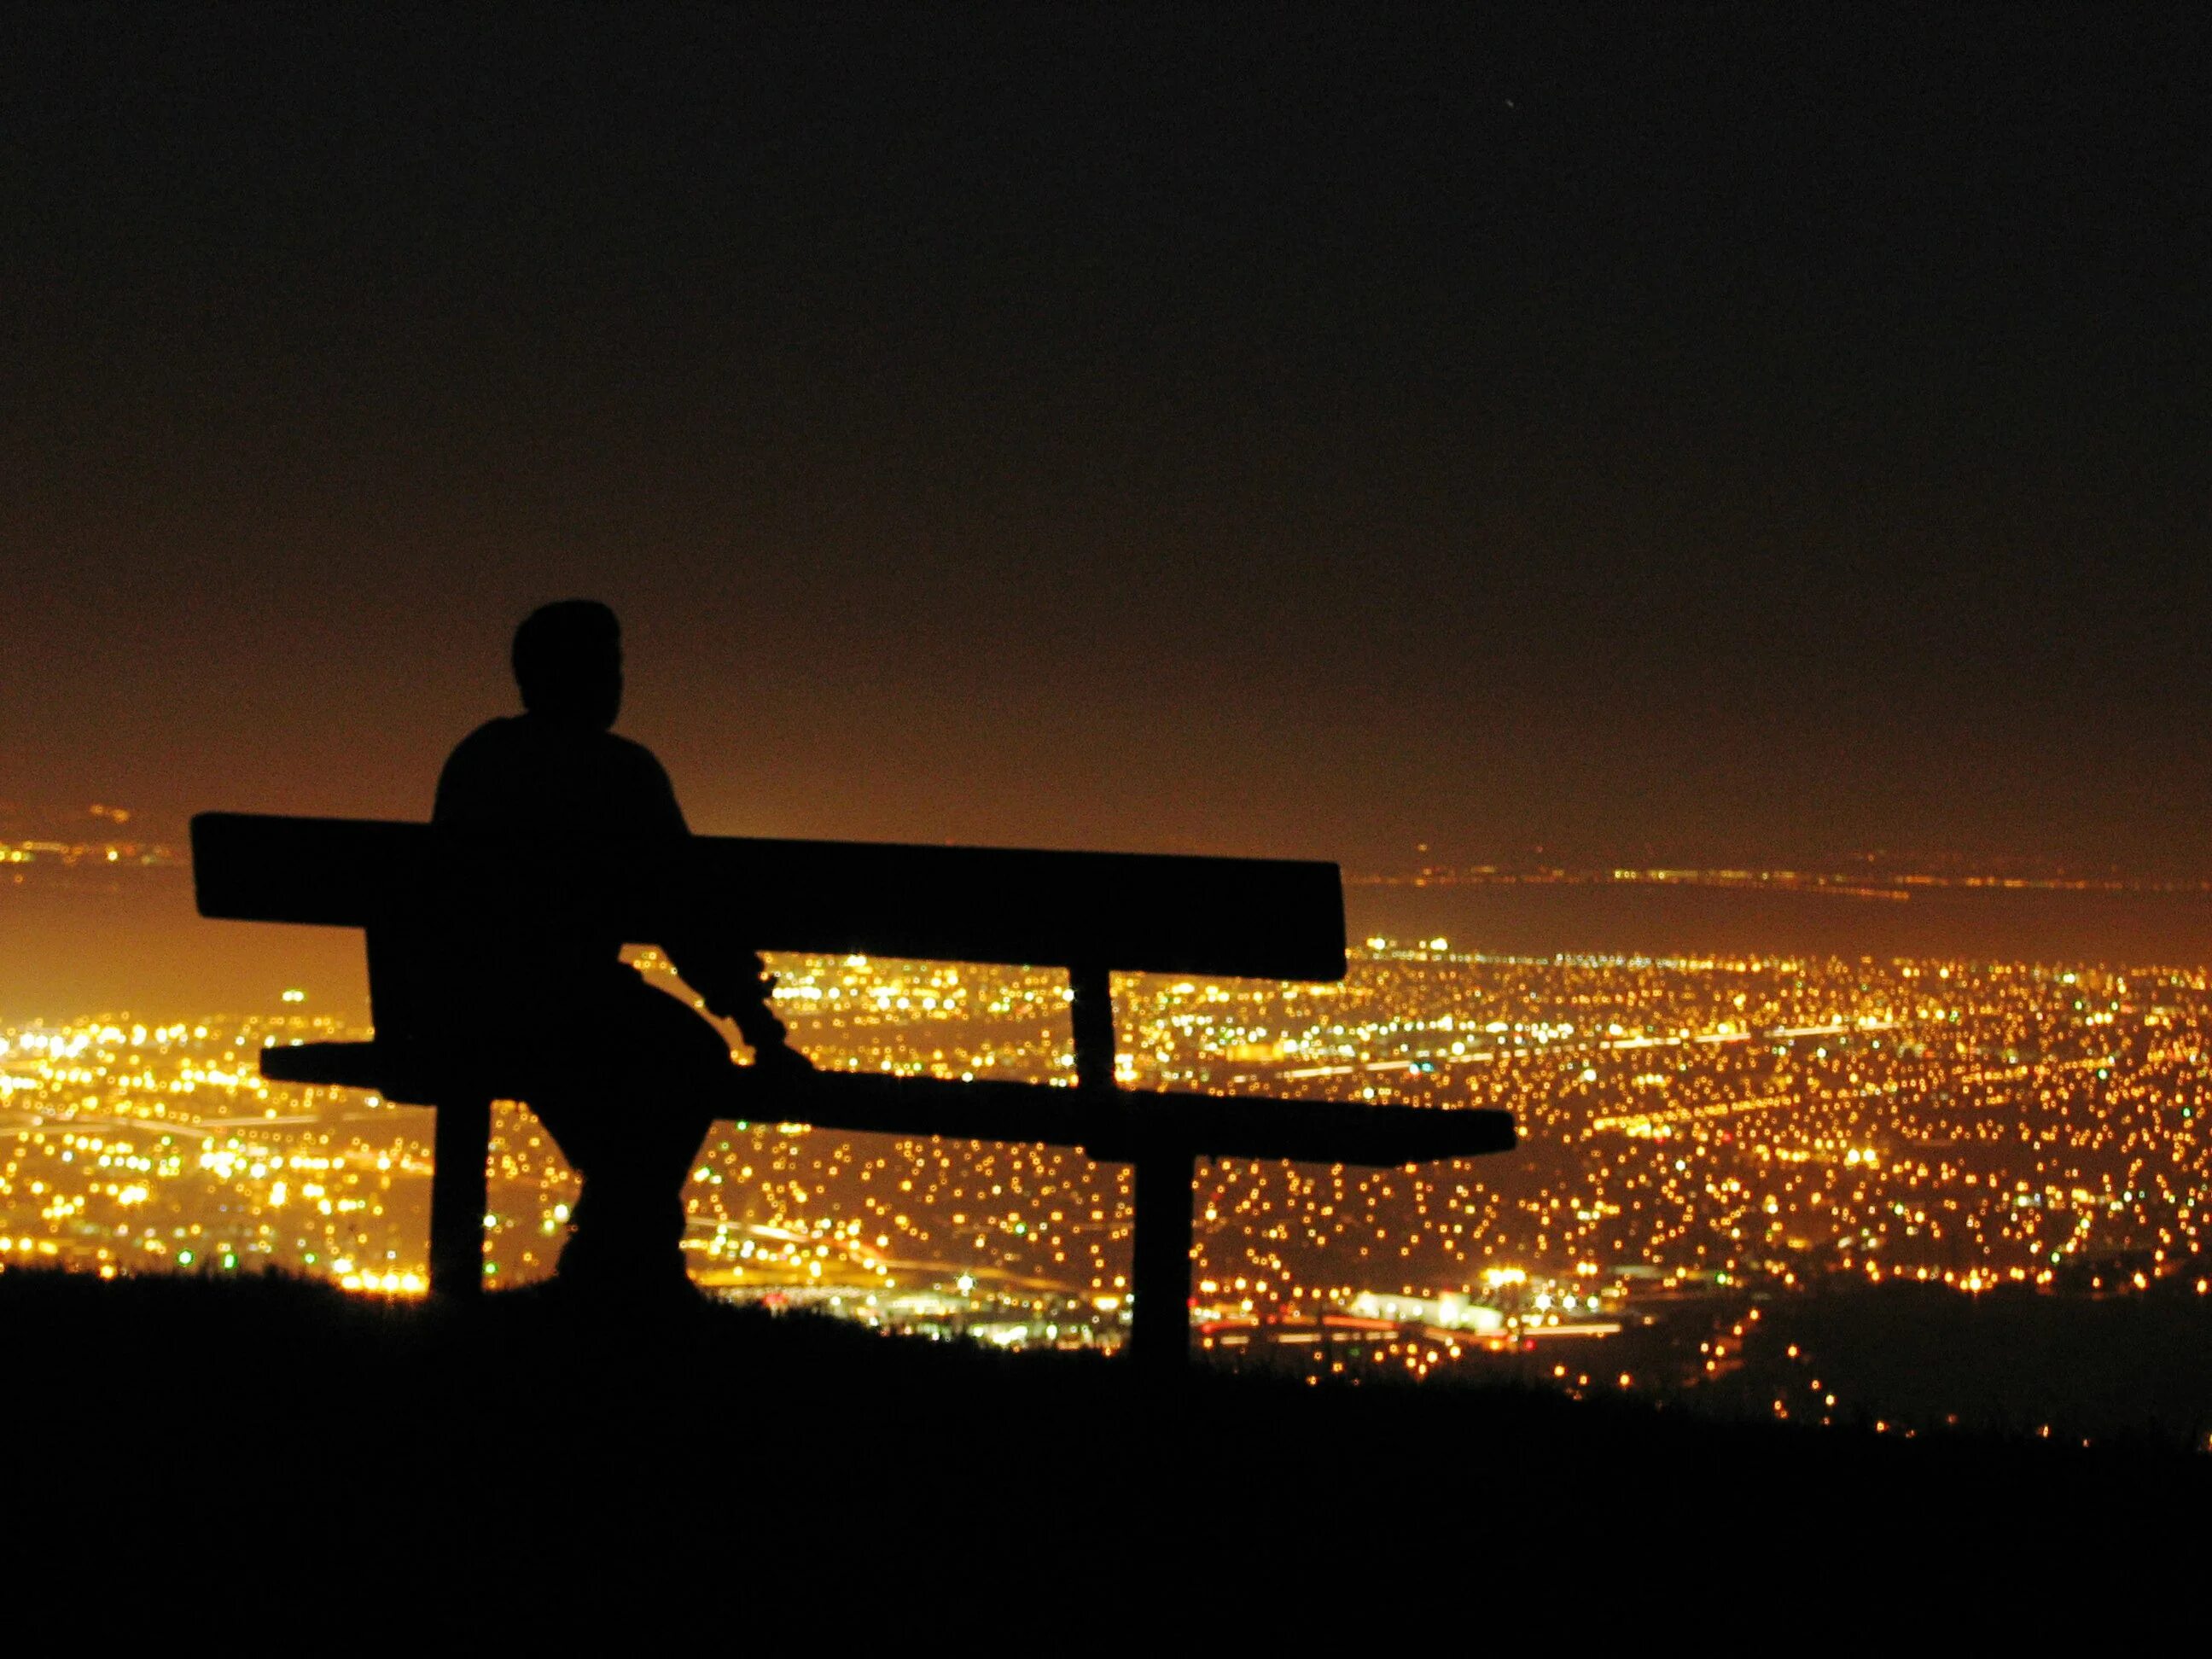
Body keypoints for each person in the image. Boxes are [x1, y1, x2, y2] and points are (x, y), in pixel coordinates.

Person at [432, 599, 810, 1296]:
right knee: (690, 1058)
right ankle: (625, 1258)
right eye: (602, 666)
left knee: (628, 1069)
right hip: (562, 1005)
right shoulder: (620, 772)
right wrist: (758, 1027)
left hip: (456, 1011)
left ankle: (612, 1255)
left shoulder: (480, 756)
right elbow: (684, 910)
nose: (613, 682)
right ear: (560, 676)